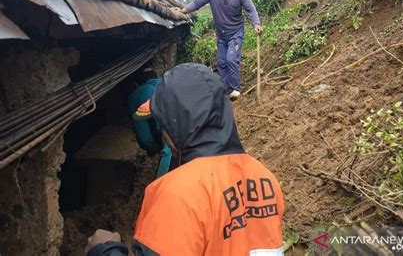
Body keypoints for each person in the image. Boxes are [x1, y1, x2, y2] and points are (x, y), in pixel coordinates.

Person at [86, 63, 285, 256]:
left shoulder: (178, 194)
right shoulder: (265, 178)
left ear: (178, 122)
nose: (163, 131)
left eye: (162, 122)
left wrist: (105, 249)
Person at [178, 0, 263, 100]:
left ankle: (235, 88)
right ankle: (225, 89)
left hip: (235, 33)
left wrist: (256, 23)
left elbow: (250, 9)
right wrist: (183, 11)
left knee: (231, 59)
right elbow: (197, 3)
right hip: (221, 35)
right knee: (221, 62)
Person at [127, 65, 174, 178]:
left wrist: (154, 148)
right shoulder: (170, 83)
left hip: (171, 145)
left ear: (136, 84)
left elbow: (145, 138)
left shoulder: (135, 96)